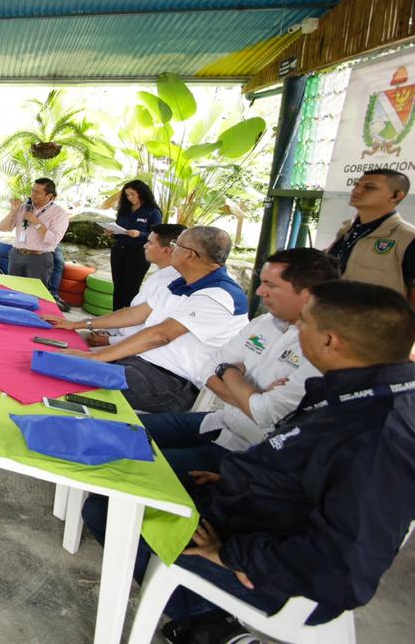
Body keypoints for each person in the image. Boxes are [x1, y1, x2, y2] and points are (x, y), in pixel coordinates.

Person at [83, 281, 415, 643]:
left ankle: (213, 624)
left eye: (305, 323)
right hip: (255, 511)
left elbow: (346, 569)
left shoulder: (379, 434)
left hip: (273, 567)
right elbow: (307, 464)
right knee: (121, 488)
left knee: (110, 511)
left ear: (330, 341)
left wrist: (232, 555)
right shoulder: (361, 392)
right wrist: (244, 477)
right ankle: (206, 622)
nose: (296, 328)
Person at [139, 248, 340, 479]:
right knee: (123, 431)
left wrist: (228, 372)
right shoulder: (265, 322)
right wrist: (251, 395)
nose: (260, 291)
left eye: (271, 285)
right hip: (219, 422)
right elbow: (209, 367)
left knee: (134, 468)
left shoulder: (323, 348)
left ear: (308, 294)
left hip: (249, 454)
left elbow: (266, 413)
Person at [44, 226, 248, 413]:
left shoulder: (219, 295)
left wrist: (94, 358)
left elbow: (160, 335)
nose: (172, 249)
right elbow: (136, 313)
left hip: (171, 381)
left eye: (176, 245)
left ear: (189, 255)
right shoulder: (183, 281)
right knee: (55, 363)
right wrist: (78, 324)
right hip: (140, 363)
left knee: (65, 380)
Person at [88, 223, 187, 347]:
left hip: (129, 347)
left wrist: (108, 340)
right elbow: (130, 314)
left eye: (150, 243)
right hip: (119, 337)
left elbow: (151, 333)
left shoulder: (173, 285)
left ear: (167, 250)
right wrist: (108, 331)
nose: (145, 245)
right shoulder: (160, 274)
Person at [325, 168, 415, 303]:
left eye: (369, 187)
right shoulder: (347, 230)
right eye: (356, 185)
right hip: (331, 311)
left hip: (376, 316)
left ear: (396, 196)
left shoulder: (407, 237)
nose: (356, 190)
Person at [0, 178, 70, 287]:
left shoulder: (59, 214)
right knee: (13, 291)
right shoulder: (24, 207)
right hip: (16, 255)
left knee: (34, 293)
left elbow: (53, 240)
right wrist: (13, 211)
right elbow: (3, 228)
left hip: (39, 259)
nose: (33, 194)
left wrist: (36, 222)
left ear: (49, 196)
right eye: (32, 190)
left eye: (37, 192)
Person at [109, 180, 163, 309]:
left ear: (142, 193)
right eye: (127, 195)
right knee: (118, 287)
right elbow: (119, 230)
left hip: (139, 253)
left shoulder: (153, 212)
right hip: (119, 250)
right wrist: (111, 233)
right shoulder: (124, 210)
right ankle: (115, 316)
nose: (130, 198)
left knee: (131, 288)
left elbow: (157, 235)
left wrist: (140, 234)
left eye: (133, 194)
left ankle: (129, 318)